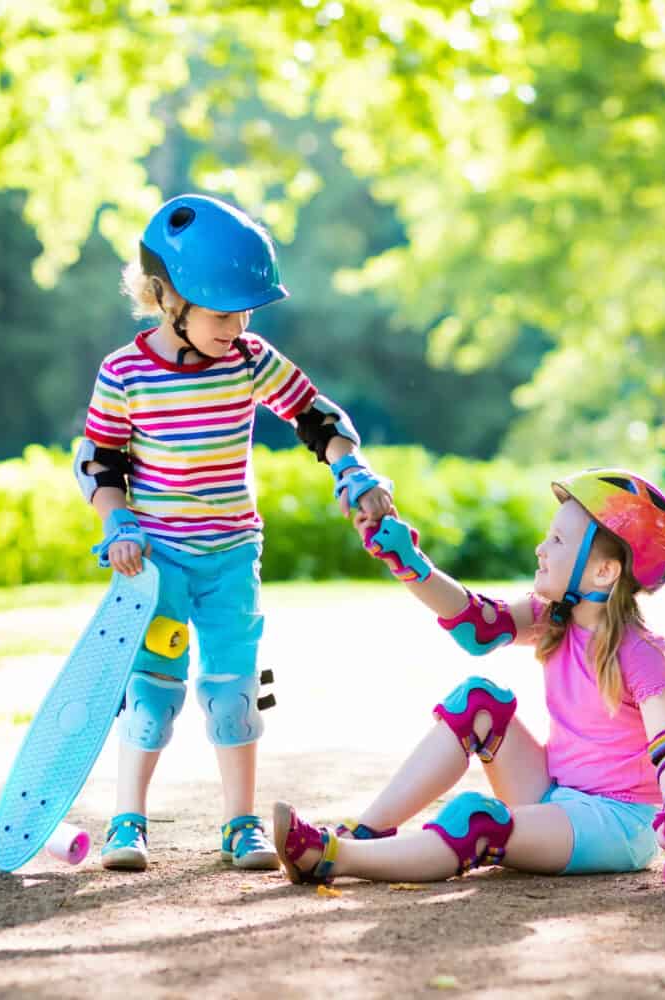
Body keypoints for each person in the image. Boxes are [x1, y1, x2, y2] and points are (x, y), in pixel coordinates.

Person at [74, 193, 393, 871]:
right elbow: (99, 462)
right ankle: (127, 822)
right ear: (166, 298)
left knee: (235, 689)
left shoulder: (247, 358)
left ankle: (240, 824)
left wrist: (353, 471)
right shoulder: (124, 373)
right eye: (223, 313)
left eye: (246, 312)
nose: (237, 325)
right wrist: (118, 520)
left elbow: (313, 413)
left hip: (230, 557)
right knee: (154, 689)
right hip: (155, 564)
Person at [272, 468, 665, 884]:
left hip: (616, 822)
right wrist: (409, 561)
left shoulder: (644, 653)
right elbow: (478, 626)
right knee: (478, 703)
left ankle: (333, 858)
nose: (542, 548)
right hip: (555, 794)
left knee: (476, 822)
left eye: (558, 540)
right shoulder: (556, 617)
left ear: (604, 572)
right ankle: (365, 833)